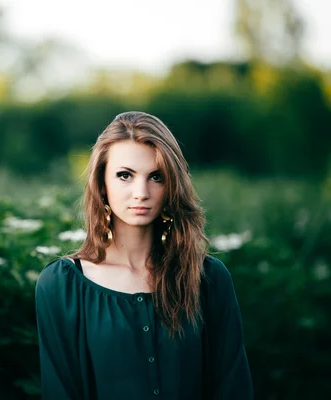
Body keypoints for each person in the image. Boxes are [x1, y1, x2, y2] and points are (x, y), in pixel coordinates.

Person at [35, 111, 253, 400]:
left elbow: (233, 388)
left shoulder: (208, 279)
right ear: (102, 183)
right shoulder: (61, 285)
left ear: (172, 185)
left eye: (156, 177)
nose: (141, 192)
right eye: (125, 175)